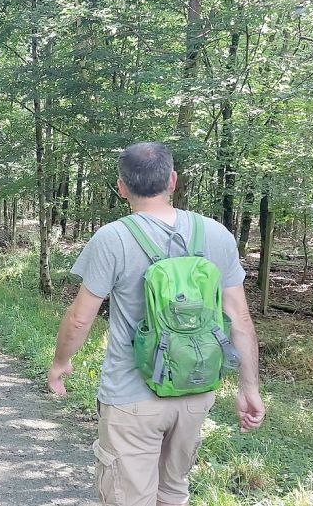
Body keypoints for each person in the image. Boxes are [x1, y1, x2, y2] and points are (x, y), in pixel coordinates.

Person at [47, 142, 264, 506]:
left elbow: (80, 316)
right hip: (195, 390)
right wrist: (248, 387)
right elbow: (240, 319)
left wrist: (59, 364)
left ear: (122, 187)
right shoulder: (216, 235)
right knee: (173, 490)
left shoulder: (113, 238)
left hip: (132, 397)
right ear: (173, 181)